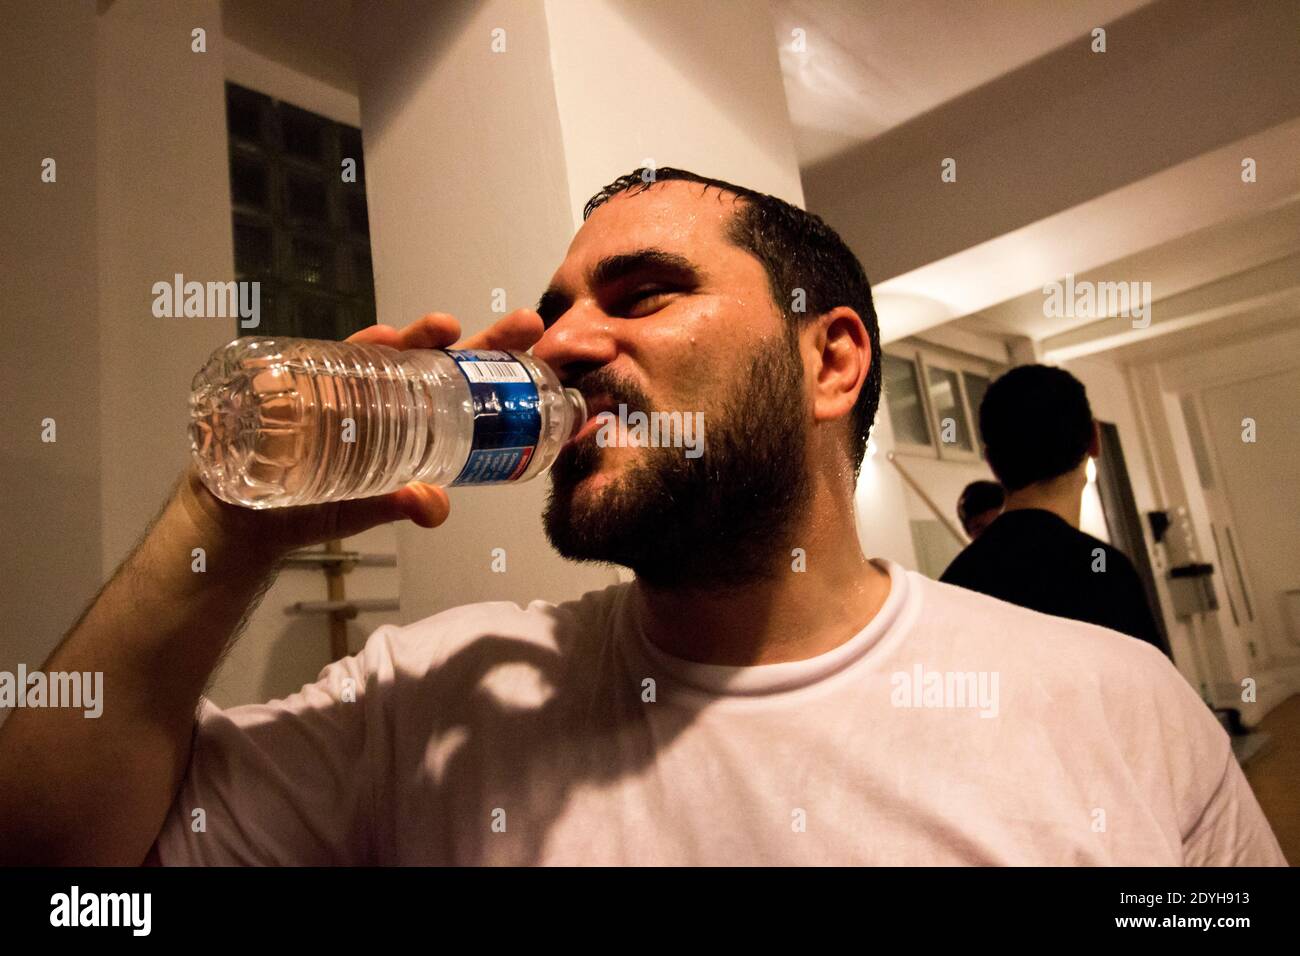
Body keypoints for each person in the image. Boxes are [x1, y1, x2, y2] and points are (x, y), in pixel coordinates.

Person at [0, 169, 1282, 866]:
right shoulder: (429, 700)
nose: (561, 343)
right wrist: (225, 526)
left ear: (831, 361)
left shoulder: (1117, 704)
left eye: (644, 291)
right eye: (555, 308)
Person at [942, 365, 1167, 653]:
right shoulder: (1105, 573)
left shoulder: (955, 586)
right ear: (1095, 439)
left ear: (992, 462)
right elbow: (1154, 694)